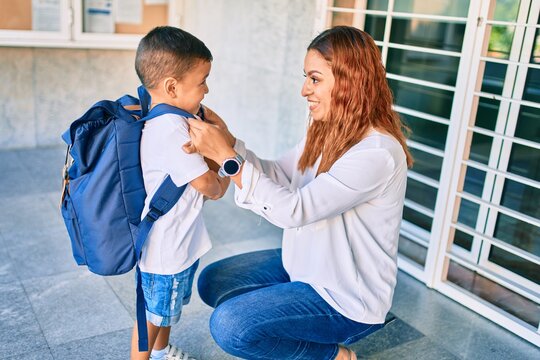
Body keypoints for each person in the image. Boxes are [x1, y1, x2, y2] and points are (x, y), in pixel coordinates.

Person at [183, 26, 413, 360]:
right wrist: (230, 142)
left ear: (350, 81)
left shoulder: (375, 152)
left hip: (345, 297)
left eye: (315, 79)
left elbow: (293, 210)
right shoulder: (326, 129)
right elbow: (279, 173)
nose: (304, 90)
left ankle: (334, 355)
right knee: (214, 281)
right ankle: (285, 318)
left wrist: (227, 159)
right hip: (306, 266)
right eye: (306, 77)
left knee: (230, 325)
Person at [131, 26, 229, 360]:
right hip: (166, 250)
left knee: (167, 311)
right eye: (202, 80)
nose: (206, 89)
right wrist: (228, 167)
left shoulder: (173, 119)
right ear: (172, 87)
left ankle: (160, 352)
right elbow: (209, 187)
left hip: (180, 241)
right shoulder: (171, 130)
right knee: (151, 317)